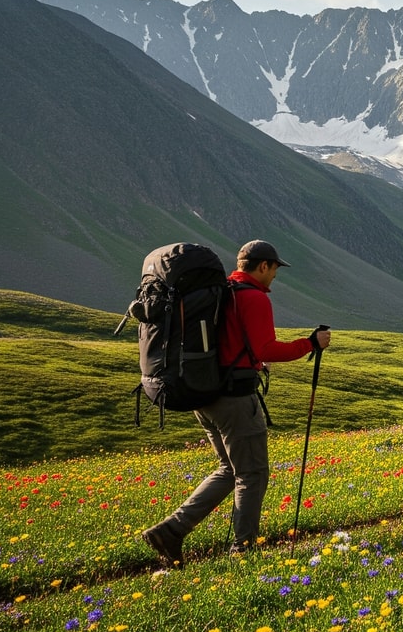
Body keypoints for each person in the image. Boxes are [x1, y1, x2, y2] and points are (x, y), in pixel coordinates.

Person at [141, 240, 332, 566]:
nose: (275, 275)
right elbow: (265, 349)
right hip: (236, 401)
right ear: (263, 266)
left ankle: (171, 531)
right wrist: (310, 343)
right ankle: (244, 550)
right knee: (253, 474)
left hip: (206, 395)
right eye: (274, 269)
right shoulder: (253, 297)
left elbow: (236, 344)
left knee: (230, 470)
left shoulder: (221, 292)